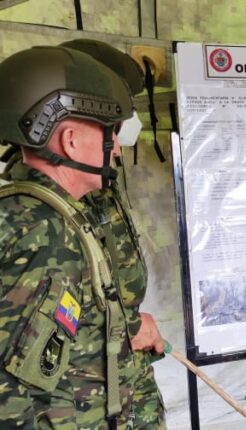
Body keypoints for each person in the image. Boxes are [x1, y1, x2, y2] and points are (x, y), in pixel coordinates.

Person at [0, 44, 164, 429]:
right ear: (70, 141)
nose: (117, 152)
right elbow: (14, 397)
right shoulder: (45, 231)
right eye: (109, 132)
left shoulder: (53, 215)